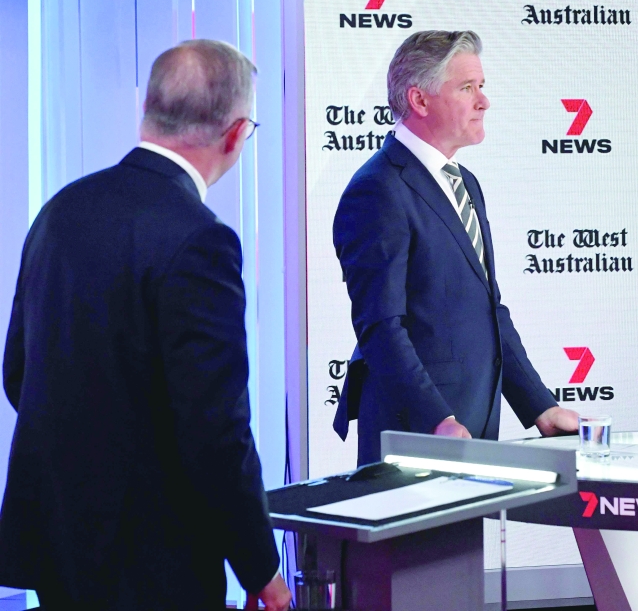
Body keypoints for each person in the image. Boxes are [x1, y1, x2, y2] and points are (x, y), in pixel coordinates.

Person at [0, 40, 291, 611]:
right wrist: (261, 569)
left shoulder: (62, 209)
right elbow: (215, 430)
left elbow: (18, 372)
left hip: (57, 540)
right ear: (235, 134)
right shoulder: (201, 238)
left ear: (148, 112)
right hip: (155, 558)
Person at [333, 30, 579, 465]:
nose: (483, 102)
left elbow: (490, 311)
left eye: (481, 87)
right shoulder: (377, 190)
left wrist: (540, 405)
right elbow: (381, 328)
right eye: (467, 88)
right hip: (419, 434)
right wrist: (437, 419)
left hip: (472, 428)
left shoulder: (466, 184)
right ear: (420, 100)